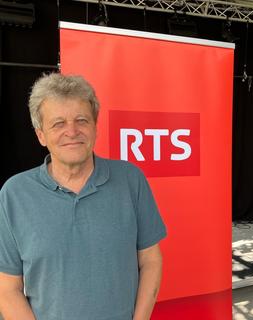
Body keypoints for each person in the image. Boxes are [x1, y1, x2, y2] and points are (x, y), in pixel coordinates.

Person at [0, 73, 167, 320]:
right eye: (58, 123)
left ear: (95, 127)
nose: (72, 131)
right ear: (40, 135)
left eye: (82, 120)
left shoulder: (131, 180)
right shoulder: (14, 194)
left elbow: (151, 260)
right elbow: (7, 289)